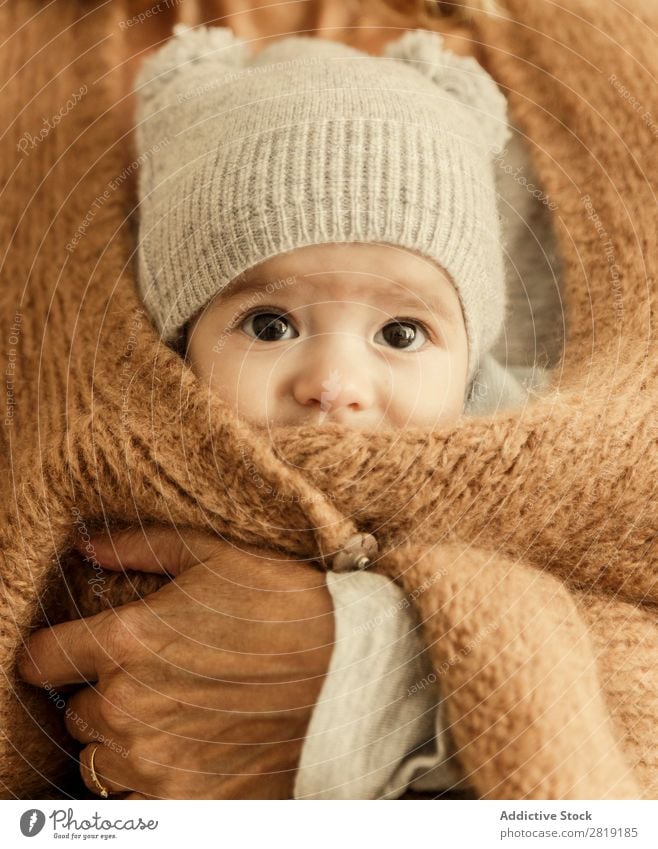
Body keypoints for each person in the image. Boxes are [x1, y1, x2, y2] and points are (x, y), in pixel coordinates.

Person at [20, 20, 547, 800]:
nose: (333, 381)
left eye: (401, 332)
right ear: (178, 344)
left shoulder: (522, 467)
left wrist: (388, 671)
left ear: (472, 367)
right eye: (270, 325)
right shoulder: (120, 472)